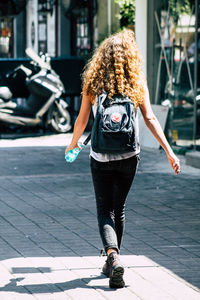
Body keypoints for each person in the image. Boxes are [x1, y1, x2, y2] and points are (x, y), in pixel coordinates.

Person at [65, 29, 180, 289]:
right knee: (120, 208)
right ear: (129, 58)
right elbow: (150, 119)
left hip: (101, 156)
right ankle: (112, 261)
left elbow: (82, 120)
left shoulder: (93, 82)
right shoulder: (136, 83)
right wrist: (169, 151)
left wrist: (72, 145)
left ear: (102, 57)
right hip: (129, 155)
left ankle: (113, 258)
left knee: (104, 210)